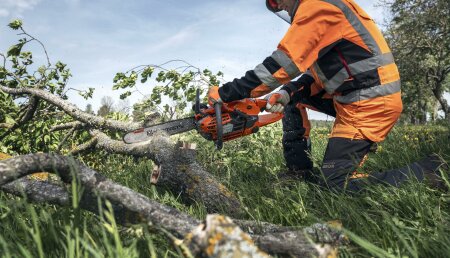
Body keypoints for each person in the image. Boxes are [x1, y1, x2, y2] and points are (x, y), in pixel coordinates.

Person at [207, 0, 448, 192]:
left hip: (369, 104)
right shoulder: (324, 10)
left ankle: (434, 170)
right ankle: (299, 172)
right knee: (292, 99)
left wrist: (226, 93)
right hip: (354, 98)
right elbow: (315, 77)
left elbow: (282, 65)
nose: (280, 6)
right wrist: (285, 93)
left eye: (279, 0)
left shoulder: (318, 7)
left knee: (335, 184)